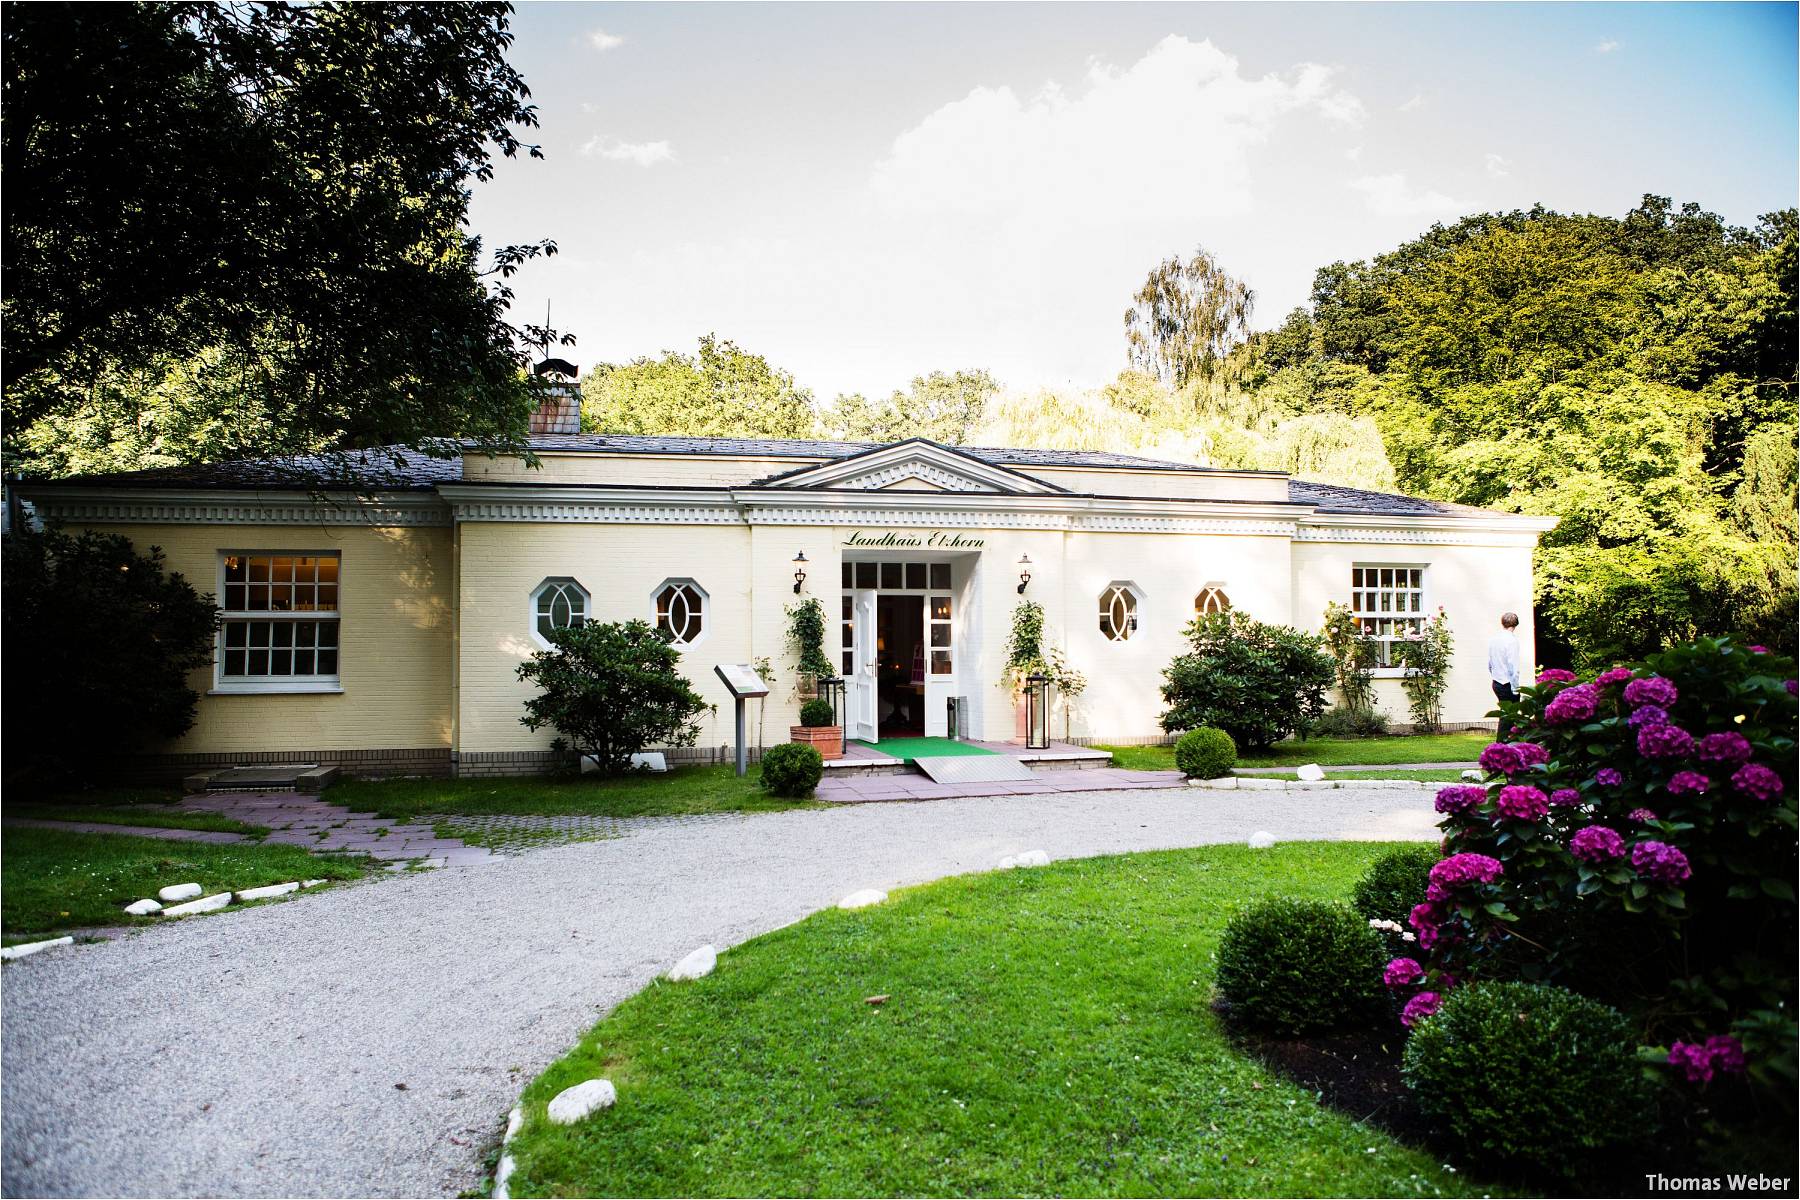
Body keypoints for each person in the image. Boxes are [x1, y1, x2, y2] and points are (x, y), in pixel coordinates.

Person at [1487, 612, 1522, 706]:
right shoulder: (1512, 641)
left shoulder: (1493, 639)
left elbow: (1490, 664)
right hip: (1507, 684)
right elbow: (1513, 667)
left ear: (1502, 623)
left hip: (1496, 683)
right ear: (1516, 624)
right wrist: (1515, 689)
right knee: (1509, 716)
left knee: (1504, 714)